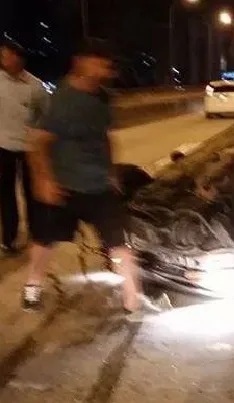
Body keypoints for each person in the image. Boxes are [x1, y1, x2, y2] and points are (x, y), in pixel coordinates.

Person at [24, 40, 159, 321]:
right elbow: (38, 143)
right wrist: (44, 180)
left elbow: (105, 136)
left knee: (118, 243)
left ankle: (132, 299)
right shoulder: (60, 101)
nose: (107, 70)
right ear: (81, 62)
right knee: (45, 241)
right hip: (65, 187)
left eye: (108, 65)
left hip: (100, 187)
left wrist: (111, 171)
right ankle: (32, 285)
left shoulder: (103, 99)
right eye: (101, 63)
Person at [0, 40, 49, 255]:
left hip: (29, 148)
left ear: (20, 59)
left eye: (8, 56)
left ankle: (37, 232)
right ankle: (9, 239)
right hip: (3, 147)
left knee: (32, 193)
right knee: (6, 195)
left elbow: (45, 115)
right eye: (2, 56)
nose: (4, 60)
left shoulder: (35, 86)